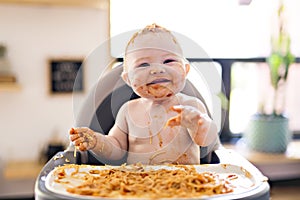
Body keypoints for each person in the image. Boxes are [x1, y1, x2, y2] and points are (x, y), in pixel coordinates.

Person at [69, 24, 218, 165]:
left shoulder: (191, 106)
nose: (157, 70)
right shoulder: (128, 111)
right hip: (138, 185)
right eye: (143, 64)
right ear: (128, 79)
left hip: (188, 185)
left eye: (168, 60)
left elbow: (207, 141)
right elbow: (116, 149)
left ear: (185, 70)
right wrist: (97, 141)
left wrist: (198, 125)